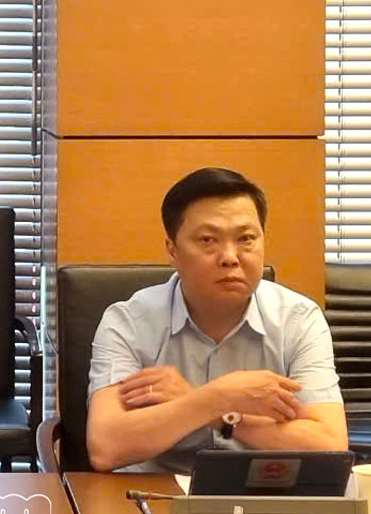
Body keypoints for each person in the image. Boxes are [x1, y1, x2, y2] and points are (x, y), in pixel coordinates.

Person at [86, 167, 348, 473]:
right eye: (208, 240)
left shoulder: (299, 320)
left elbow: (330, 446)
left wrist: (208, 408)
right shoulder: (128, 322)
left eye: (246, 239)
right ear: (172, 251)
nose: (230, 257)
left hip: (262, 489)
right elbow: (106, 447)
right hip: (151, 493)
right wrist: (220, 396)